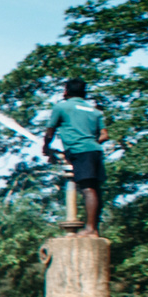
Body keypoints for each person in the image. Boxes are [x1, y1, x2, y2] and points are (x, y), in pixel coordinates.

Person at [39, 79, 112, 237]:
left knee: (87, 189)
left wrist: (46, 148)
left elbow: (50, 132)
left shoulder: (61, 107)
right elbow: (105, 135)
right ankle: (94, 229)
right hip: (95, 151)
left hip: (80, 151)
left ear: (66, 91)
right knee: (95, 189)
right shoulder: (94, 111)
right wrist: (90, 142)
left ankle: (90, 229)